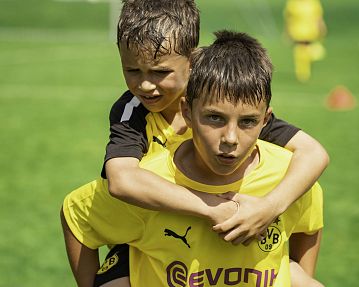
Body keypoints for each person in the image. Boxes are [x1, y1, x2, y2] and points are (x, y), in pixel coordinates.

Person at [63, 0, 329, 286]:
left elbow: (312, 153)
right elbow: (122, 180)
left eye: (160, 72)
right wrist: (211, 207)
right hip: (153, 235)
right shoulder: (132, 109)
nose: (145, 86)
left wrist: (269, 208)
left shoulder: (223, 100)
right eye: (132, 71)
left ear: (192, 60)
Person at [284, 0, 327, 82]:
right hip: (298, 29)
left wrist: (321, 27)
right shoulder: (292, 3)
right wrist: (287, 31)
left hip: (310, 29)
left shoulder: (313, 2)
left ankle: (304, 71)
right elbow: (288, 18)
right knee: (301, 47)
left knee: (303, 48)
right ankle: (303, 72)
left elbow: (318, 17)